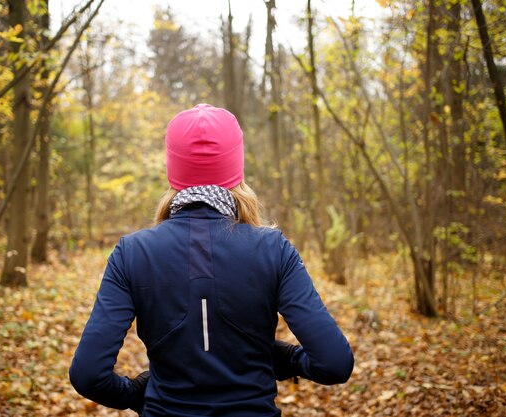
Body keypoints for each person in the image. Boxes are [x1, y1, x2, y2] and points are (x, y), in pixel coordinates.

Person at [69, 104, 354, 416]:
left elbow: (88, 374)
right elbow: (334, 363)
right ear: (235, 169)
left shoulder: (132, 252)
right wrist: (283, 358)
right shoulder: (273, 249)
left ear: (173, 171)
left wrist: (137, 394)